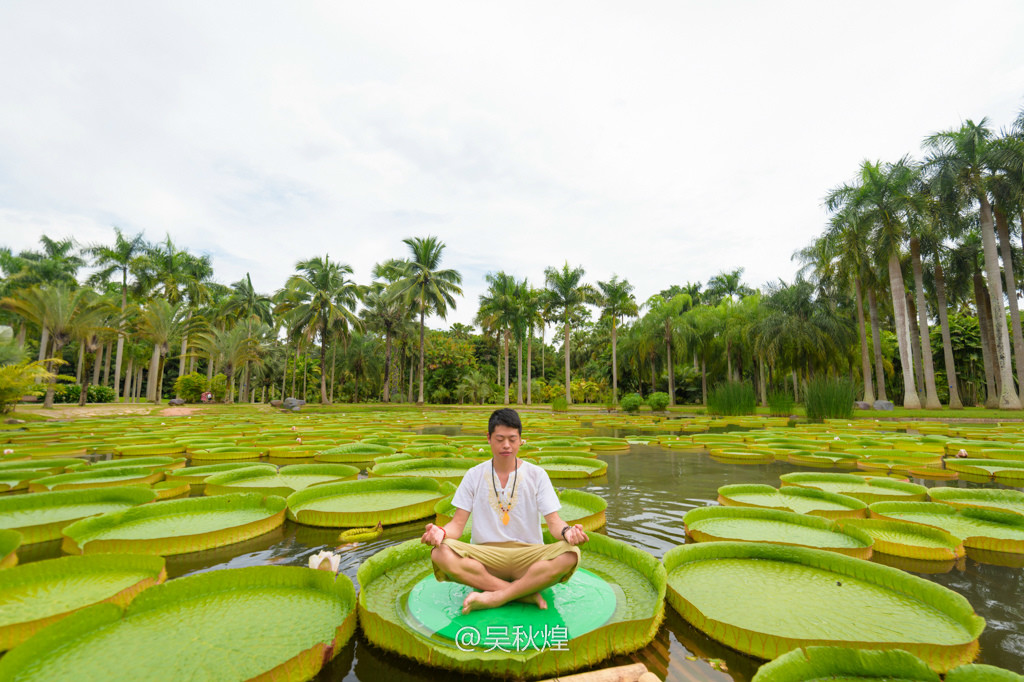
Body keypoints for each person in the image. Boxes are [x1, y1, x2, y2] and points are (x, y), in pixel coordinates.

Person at [421, 408, 588, 614]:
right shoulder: (474, 475)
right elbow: (457, 525)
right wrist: (441, 532)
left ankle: (496, 596)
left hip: (528, 556)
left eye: (512, 439)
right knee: (440, 553)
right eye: (500, 439)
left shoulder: (538, 475)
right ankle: (523, 593)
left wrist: (568, 532)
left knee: (572, 554)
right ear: (489, 438)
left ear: (520, 440)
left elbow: (554, 523)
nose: (506, 445)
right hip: (485, 557)